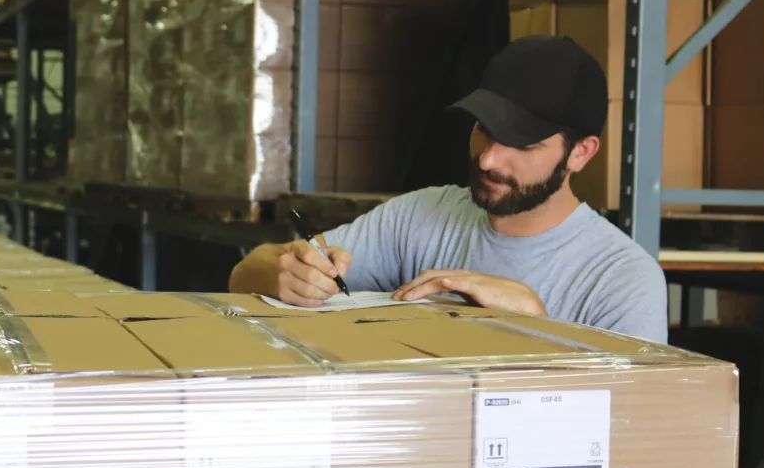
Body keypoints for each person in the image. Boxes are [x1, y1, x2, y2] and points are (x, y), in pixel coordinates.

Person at [228, 35, 668, 343]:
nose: (489, 159)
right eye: (483, 129)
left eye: (522, 143)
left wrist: (538, 326)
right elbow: (243, 275)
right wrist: (284, 272)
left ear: (581, 153)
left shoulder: (623, 281)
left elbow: (638, 432)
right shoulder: (420, 216)